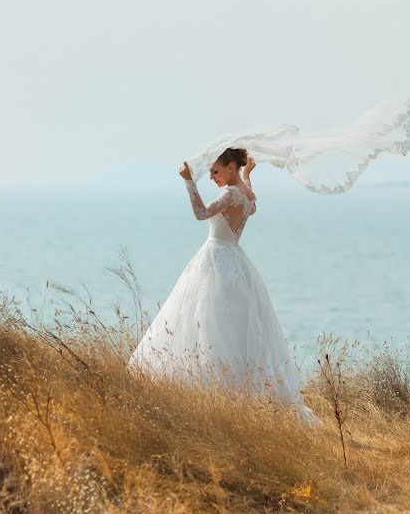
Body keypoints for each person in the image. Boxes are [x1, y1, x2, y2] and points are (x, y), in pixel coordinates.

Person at [127, 147, 322, 426]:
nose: (211, 177)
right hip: (237, 263)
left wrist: (188, 181)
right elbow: (249, 204)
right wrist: (247, 175)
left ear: (230, 167)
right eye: (209, 173)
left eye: (215, 171)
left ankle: (214, 393)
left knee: (209, 326)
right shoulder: (247, 194)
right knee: (232, 331)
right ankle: (231, 394)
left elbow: (201, 213)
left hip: (216, 261)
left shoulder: (231, 193)